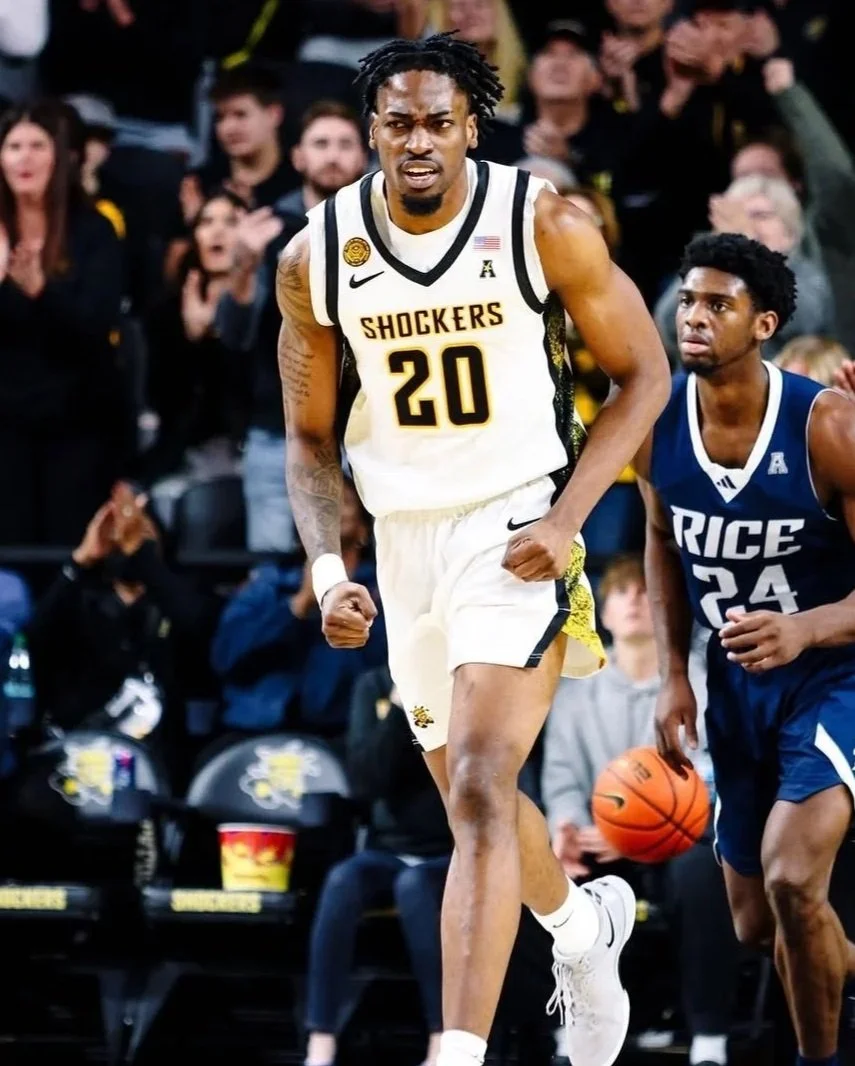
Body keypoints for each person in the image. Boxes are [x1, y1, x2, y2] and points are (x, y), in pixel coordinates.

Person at [275, 31, 671, 1066]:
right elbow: (308, 439)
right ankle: (581, 931)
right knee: (469, 803)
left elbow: (644, 375)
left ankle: (457, 1052)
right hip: (403, 542)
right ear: (371, 131)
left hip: (517, 522)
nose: (418, 141)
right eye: (398, 123)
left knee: (488, 783)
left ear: (470, 129)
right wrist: (329, 570)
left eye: (438, 123)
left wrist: (566, 517)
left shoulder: (542, 222)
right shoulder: (316, 257)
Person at [634, 231, 855, 1066]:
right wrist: (671, 676)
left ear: (763, 324)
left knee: (794, 879)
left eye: (717, 305)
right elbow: (660, 543)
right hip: (732, 684)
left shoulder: (826, 425)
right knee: (761, 924)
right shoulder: (652, 422)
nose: (693, 317)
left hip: (833, 676)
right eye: (688, 300)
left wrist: (805, 626)